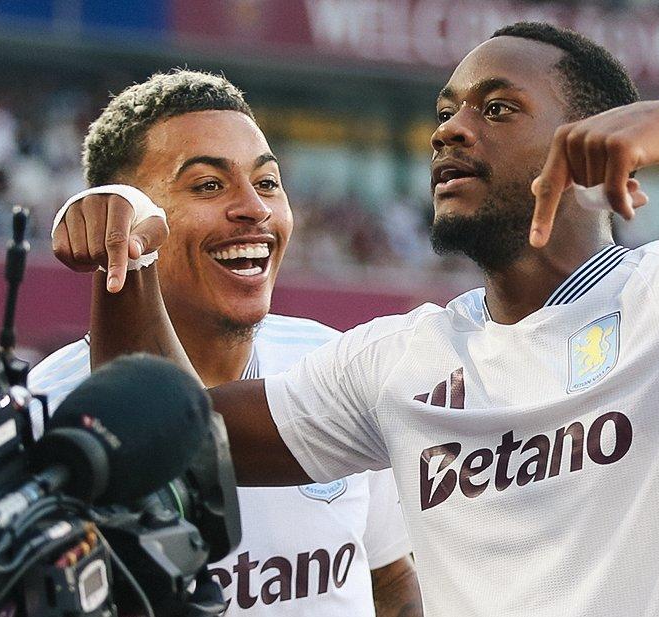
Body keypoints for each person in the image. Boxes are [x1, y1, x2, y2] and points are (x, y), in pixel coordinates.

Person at [54, 24, 659, 617]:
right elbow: (170, 437)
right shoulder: (401, 359)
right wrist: (124, 250)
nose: (449, 130)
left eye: (496, 108)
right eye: (444, 112)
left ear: (599, 143)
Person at [29, 70, 422, 617]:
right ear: (123, 218)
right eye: (208, 186)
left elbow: (390, 580)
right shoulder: (47, 412)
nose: (254, 209)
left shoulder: (335, 368)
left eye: (267, 183)